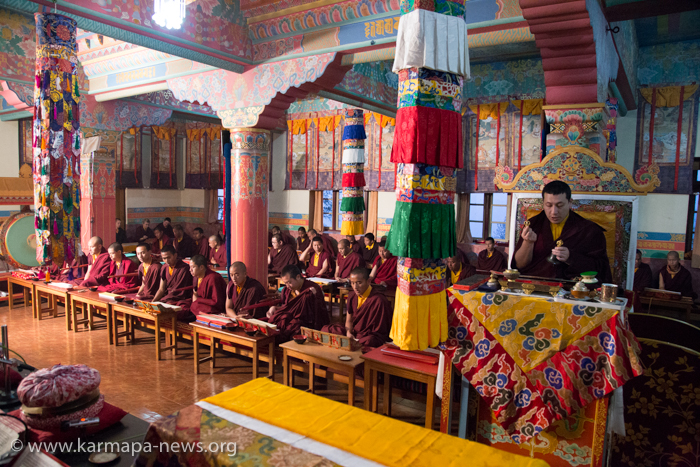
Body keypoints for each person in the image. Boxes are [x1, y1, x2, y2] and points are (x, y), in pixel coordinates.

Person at [511, 181, 611, 282]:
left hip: (572, 288)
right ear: (543, 203)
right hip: (536, 285)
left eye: (559, 205)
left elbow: (601, 269)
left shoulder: (588, 230)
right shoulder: (534, 224)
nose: (554, 212)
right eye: (549, 205)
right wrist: (528, 243)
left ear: (570, 202)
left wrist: (571, 257)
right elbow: (519, 266)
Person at [322, 267, 392, 348]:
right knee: (326, 329)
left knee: (370, 341)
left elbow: (381, 330)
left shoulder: (379, 300)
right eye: (352, 283)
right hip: (354, 332)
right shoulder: (352, 295)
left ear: (368, 281)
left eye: (359, 283)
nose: (355, 287)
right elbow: (349, 320)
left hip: (367, 335)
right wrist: (348, 333)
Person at [266, 265, 329, 343]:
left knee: (293, 328)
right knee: (274, 321)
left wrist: (312, 296)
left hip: (306, 323)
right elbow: (288, 308)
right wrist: (275, 308)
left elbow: (318, 313)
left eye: (289, 282)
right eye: (285, 283)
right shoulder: (287, 290)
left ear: (298, 277)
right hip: (291, 319)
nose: (287, 286)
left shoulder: (312, 289)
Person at [152, 246, 194, 321]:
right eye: (164, 258)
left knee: (178, 311)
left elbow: (186, 291)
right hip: (168, 298)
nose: (167, 261)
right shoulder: (164, 267)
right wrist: (153, 302)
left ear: (175, 255)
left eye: (169, 257)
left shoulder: (185, 268)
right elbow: (161, 289)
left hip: (182, 299)